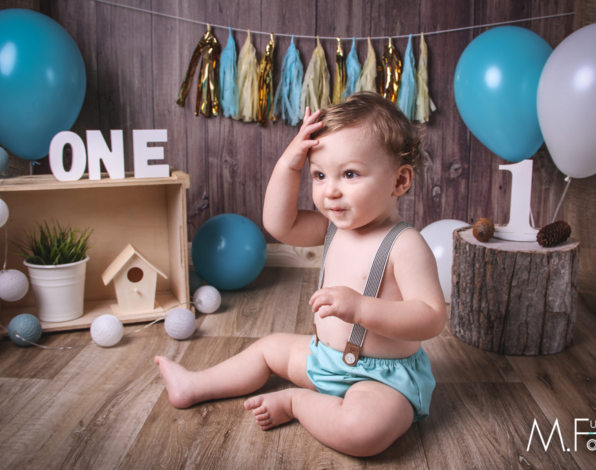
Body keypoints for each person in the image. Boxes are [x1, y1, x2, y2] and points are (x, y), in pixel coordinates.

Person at [155, 92, 446, 457]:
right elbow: (279, 224)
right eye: (319, 175)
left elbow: (431, 316)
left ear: (400, 181)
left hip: (381, 377)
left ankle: (296, 403)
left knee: (363, 431)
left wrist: (361, 308)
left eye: (350, 174)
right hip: (322, 358)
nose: (331, 190)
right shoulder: (331, 227)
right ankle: (194, 384)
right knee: (267, 348)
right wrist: (289, 165)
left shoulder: (405, 244)